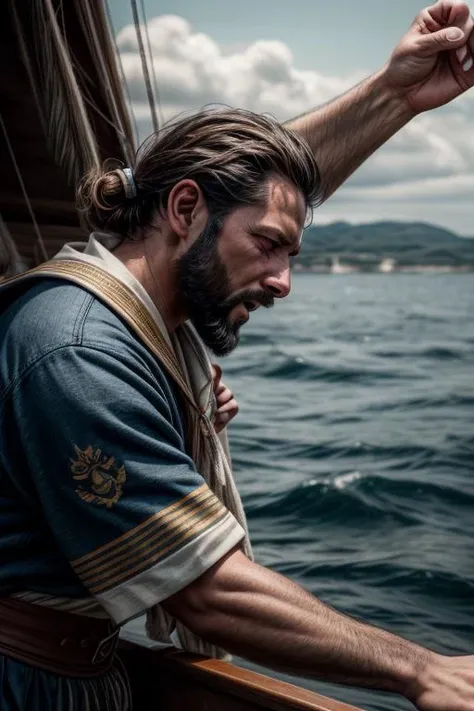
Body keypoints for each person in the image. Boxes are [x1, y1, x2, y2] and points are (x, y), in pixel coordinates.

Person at [1, 3, 474, 710]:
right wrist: (423, 670)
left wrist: (394, 96)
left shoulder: (137, 315)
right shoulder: (78, 349)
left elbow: (255, 188)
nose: (285, 280)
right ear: (183, 210)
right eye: (270, 248)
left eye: (292, 253)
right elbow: (208, 590)